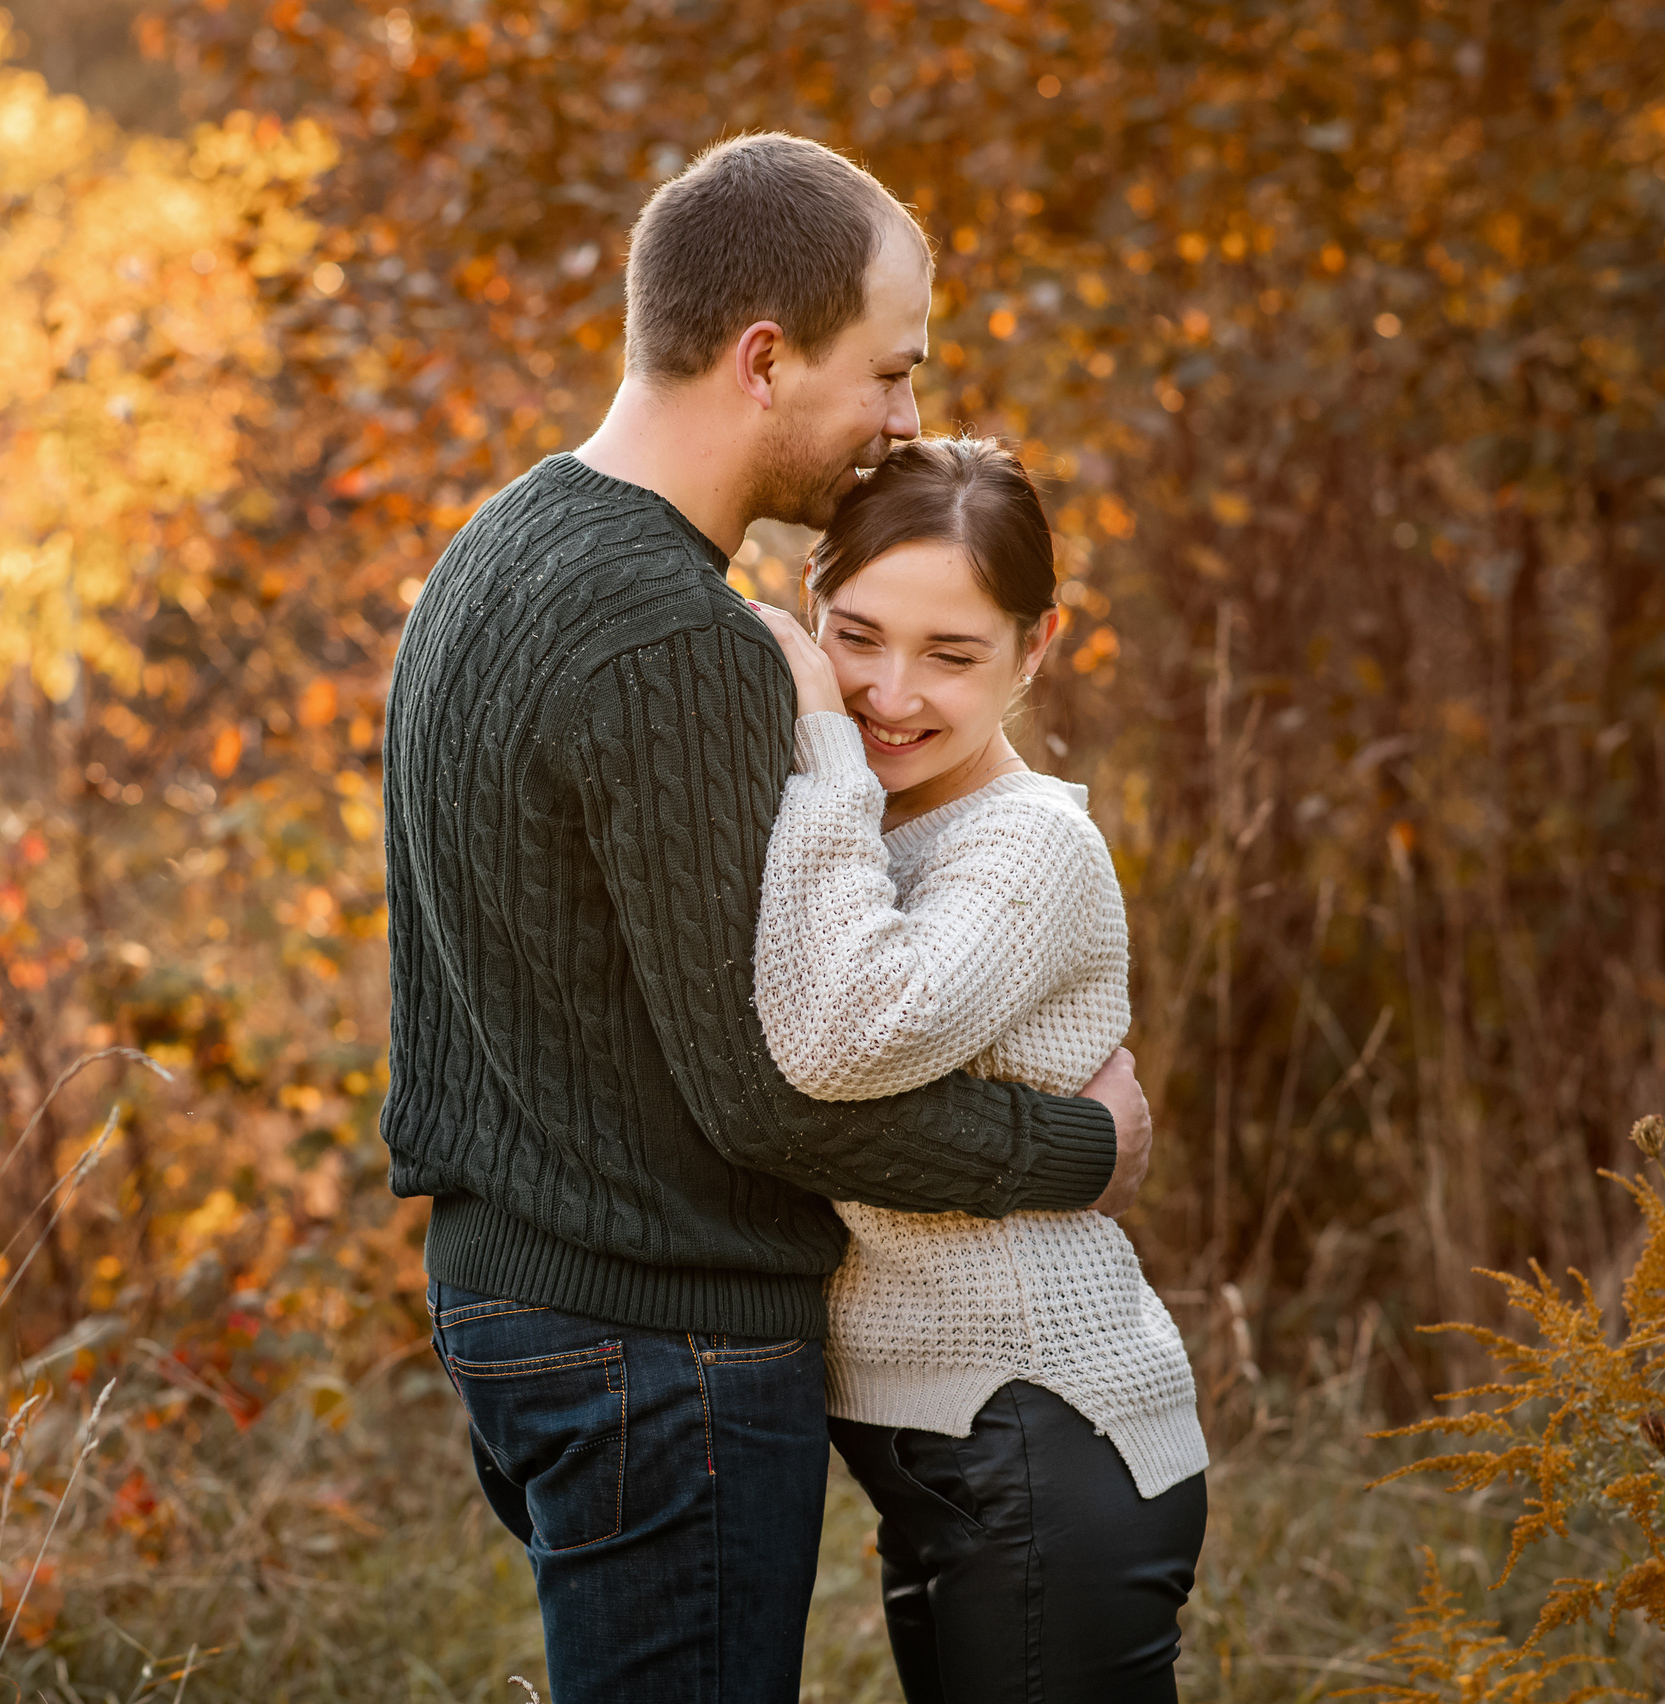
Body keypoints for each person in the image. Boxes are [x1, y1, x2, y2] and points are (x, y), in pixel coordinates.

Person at [379, 133, 1155, 1703]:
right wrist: (1080, 1151)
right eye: (889, 371)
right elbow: (774, 1083)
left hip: (518, 1299)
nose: (905, 422)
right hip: (658, 1347)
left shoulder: (501, 544)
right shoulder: (677, 639)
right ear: (762, 358)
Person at [748, 435, 1207, 1703]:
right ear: (810, 611)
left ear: (1036, 647)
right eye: (857, 637)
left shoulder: (1027, 844)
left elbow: (844, 1039)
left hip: (1042, 1436)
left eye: (952, 656)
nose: (891, 695)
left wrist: (823, 746)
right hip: (944, 1458)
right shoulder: (846, 820)